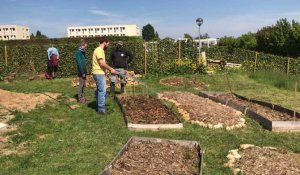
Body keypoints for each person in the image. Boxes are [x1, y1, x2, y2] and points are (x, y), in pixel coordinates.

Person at [92, 38, 116, 115]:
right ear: (105, 43)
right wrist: (111, 69)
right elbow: (101, 63)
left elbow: (102, 64)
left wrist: (107, 71)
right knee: (102, 91)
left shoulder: (100, 50)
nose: (108, 45)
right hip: (98, 73)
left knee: (99, 90)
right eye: (108, 44)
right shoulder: (99, 50)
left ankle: (98, 105)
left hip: (98, 72)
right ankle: (101, 110)